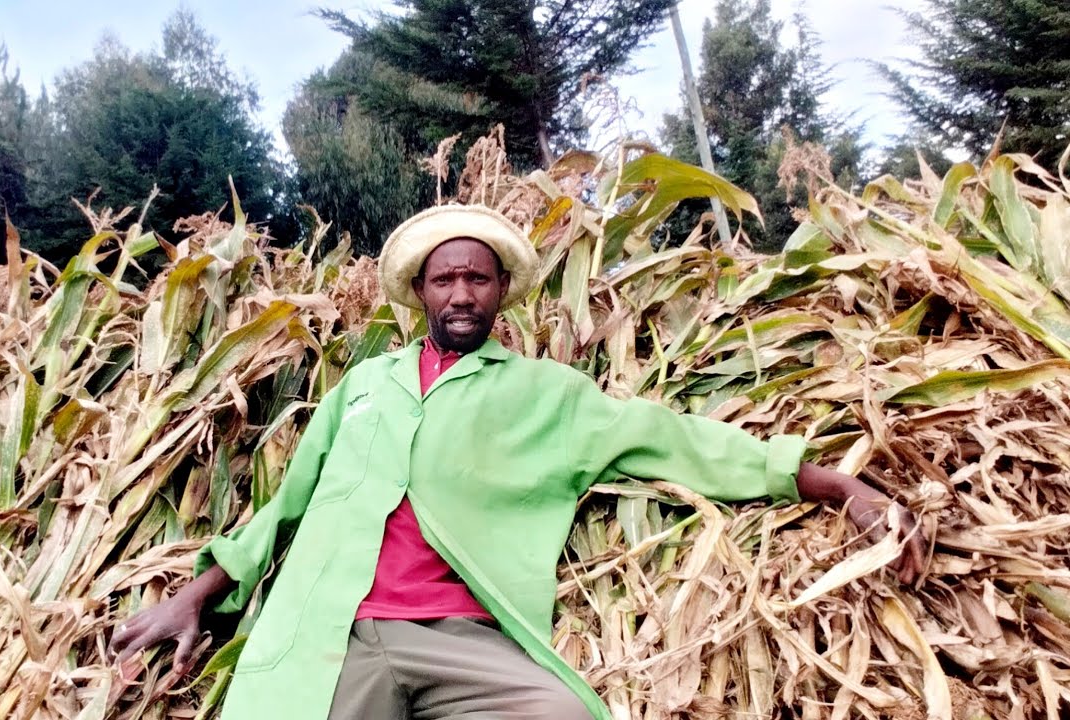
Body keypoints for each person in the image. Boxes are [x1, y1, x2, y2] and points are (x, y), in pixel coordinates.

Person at [110, 205, 928, 720]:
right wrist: (192, 597)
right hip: (335, 634)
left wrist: (833, 484)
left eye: (477, 278)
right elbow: (285, 507)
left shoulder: (547, 395)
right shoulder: (363, 386)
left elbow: (674, 440)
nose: (461, 294)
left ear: (502, 289)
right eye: (445, 280)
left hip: (461, 637)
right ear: (421, 293)